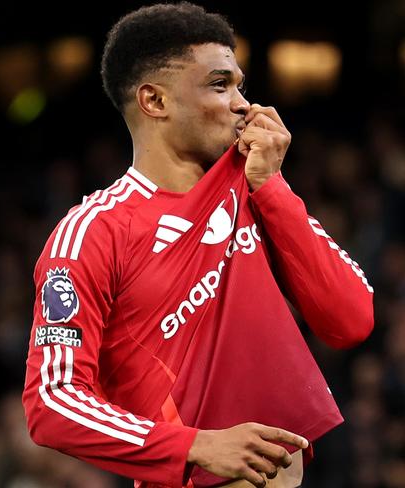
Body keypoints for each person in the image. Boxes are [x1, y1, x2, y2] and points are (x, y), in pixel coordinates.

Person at [22, 3, 374, 487]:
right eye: (218, 85)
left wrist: (273, 187)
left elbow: (352, 319)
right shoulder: (94, 232)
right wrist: (197, 445)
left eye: (239, 86)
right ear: (155, 101)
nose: (242, 104)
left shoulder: (254, 192)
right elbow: (53, 401)